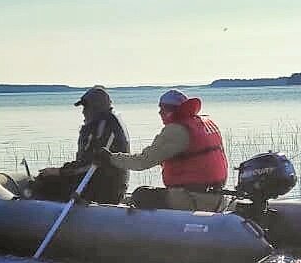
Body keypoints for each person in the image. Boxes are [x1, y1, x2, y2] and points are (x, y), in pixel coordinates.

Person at [99, 89, 228, 210]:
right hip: (217, 197)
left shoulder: (176, 131)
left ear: (174, 110)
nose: (160, 112)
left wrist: (111, 158)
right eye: (160, 108)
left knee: (141, 194)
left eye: (164, 108)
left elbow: (142, 161)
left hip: (193, 199)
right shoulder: (205, 123)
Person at [29, 86, 129, 205]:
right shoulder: (106, 122)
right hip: (102, 183)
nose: (83, 111)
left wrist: (59, 171)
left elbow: (91, 163)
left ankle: (36, 209)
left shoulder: (105, 127)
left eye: (85, 107)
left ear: (96, 107)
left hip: (103, 189)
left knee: (45, 182)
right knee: (50, 179)